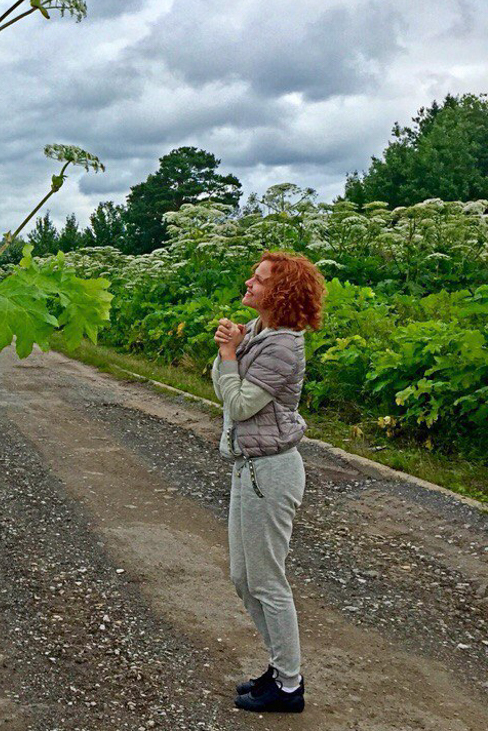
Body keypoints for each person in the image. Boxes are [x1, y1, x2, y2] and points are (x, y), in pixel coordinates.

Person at [211, 251, 325, 714]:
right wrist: (233, 345)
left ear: (280, 294)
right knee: (243, 578)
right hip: (249, 466)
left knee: (267, 581)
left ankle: (288, 686)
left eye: (258, 280)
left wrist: (228, 355)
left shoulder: (282, 347)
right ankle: (280, 669)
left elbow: (240, 405)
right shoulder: (260, 332)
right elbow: (227, 386)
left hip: (272, 472)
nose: (249, 283)